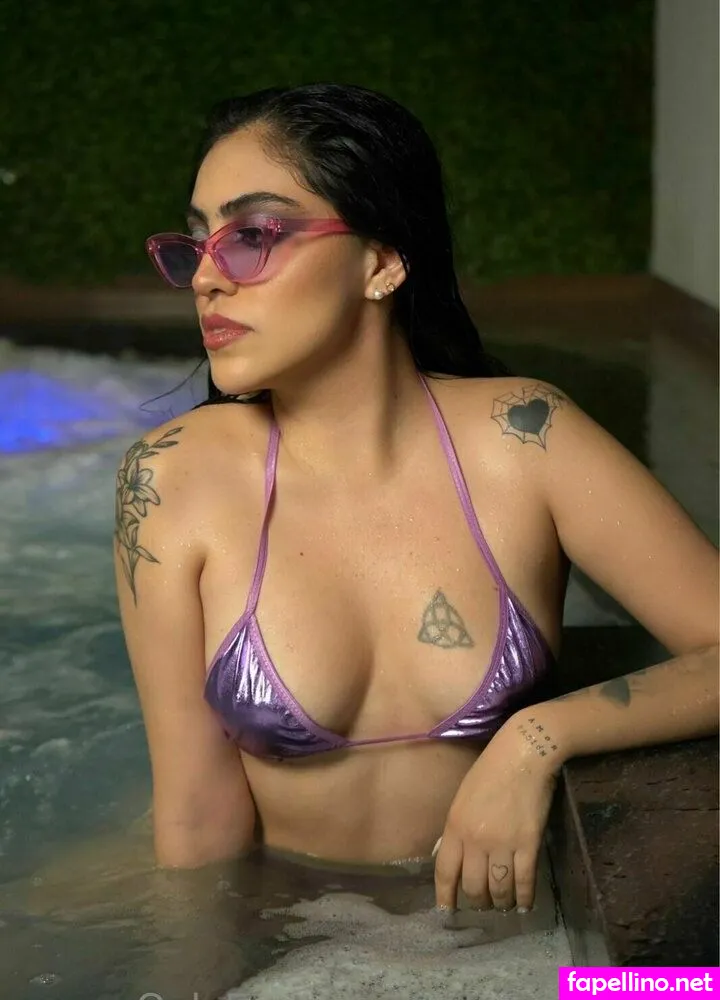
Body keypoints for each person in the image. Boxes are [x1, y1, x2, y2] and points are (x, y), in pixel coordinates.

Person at [115, 82, 719, 916]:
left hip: (499, 936)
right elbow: (195, 820)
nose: (207, 280)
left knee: (678, 981)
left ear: (382, 262)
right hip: (293, 928)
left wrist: (537, 739)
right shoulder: (171, 480)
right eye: (198, 242)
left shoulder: (525, 438)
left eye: (252, 236)